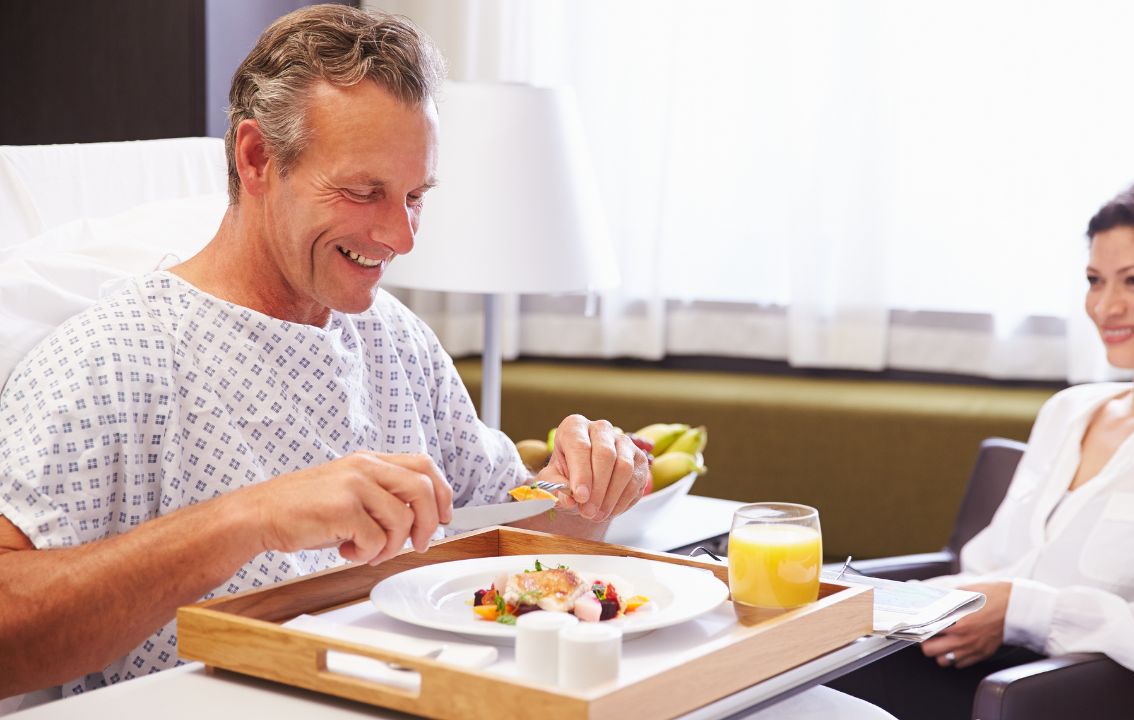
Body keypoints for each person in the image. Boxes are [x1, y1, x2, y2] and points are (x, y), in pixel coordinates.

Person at [0, 5, 650, 706]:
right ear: (256, 159)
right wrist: (247, 518)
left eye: (413, 196)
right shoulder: (111, 363)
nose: (400, 237)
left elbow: (512, 519)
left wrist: (579, 487)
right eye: (363, 191)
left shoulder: (395, 341)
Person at [830, 177, 1134, 718]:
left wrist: (1026, 609)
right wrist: (863, 600)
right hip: (959, 674)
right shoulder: (1068, 411)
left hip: (1065, 701)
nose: (1105, 306)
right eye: (1095, 280)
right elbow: (990, 566)